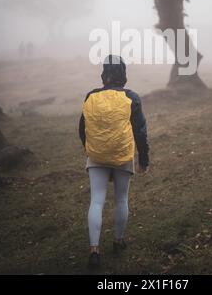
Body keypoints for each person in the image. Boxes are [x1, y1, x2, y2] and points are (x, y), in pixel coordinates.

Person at [79, 54, 149, 270]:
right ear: (123, 74)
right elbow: (140, 131)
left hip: (96, 156)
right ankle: (118, 241)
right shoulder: (132, 97)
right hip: (123, 156)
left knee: (96, 201)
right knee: (121, 199)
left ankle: (94, 249)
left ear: (104, 74)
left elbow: (83, 129)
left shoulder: (91, 96)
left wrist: (91, 150)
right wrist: (144, 159)